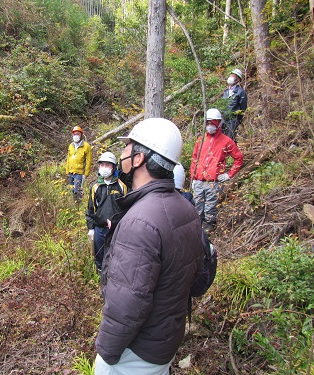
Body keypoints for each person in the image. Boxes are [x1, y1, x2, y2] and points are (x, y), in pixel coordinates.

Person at [95, 118, 203, 374]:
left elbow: (127, 303)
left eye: (127, 147)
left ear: (139, 158)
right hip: (165, 342)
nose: (122, 154)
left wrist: (107, 353)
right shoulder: (185, 208)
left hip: (135, 354)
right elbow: (198, 281)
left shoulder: (141, 220)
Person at [190, 108, 244, 233]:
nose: (210, 126)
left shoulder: (227, 141)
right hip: (198, 180)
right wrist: (193, 177)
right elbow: (194, 159)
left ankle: (208, 233)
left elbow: (239, 158)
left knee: (210, 210)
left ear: (219, 123)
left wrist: (228, 175)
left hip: (213, 182)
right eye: (208, 123)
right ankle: (196, 232)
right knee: (197, 208)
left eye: (212, 123)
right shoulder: (201, 140)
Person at [86, 152, 128, 272]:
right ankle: (101, 277)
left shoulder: (122, 186)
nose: (104, 168)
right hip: (100, 229)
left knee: (115, 256)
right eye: (102, 165)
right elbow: (90, 209)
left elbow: (126, 208)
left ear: (114, 167)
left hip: (116, 229)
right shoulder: (96, 187)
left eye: (107, 165)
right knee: (99, 257)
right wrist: (91, 228)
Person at [66, 126, 92, 201]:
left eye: (77, 134)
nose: (76, 136)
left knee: (77, 190)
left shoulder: (86, 146)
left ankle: (79, 204)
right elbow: (68, 158)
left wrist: (86, 174)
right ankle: (75, 204)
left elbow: (88, 161)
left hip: (79, 173)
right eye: (74, 134)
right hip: (71, 172)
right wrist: (67, 170)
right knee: (72, 190)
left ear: (81, 135)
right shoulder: (71, 145)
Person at [222, 68, 247, 142]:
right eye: (231, 74)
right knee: (222, 138)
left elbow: (243, 107)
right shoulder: (226, 92)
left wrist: (238, 119)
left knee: (230, 138)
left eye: (234, 75)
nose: (231, 77)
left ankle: (233, 153)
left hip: (233, 119)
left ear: (238, 79)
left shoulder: (240, 92)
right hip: (224, 118)